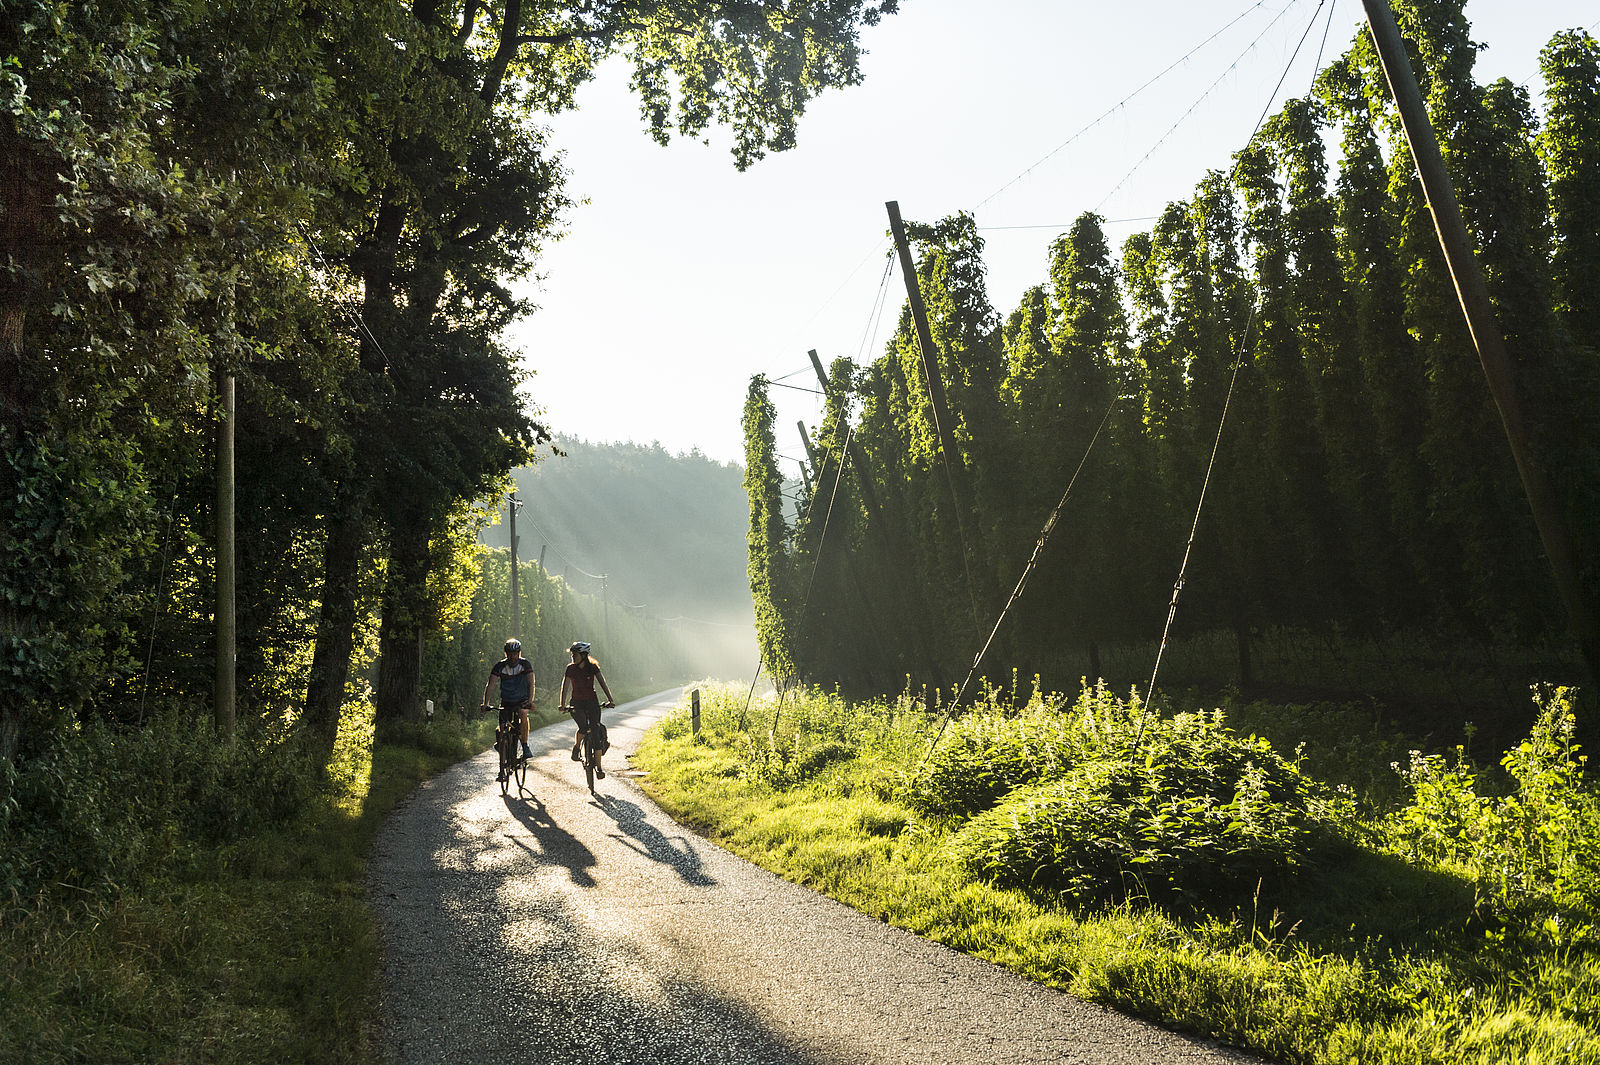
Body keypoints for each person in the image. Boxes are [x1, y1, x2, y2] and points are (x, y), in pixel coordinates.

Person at [560, 641, 615, 778]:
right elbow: (565, 687)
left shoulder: (593, 667)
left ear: (584, 655)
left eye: (575, 654)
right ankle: (577, 747)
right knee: (583, 727)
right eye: (572, 654)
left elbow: (602, 683)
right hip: (576, 703)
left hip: (592, 702)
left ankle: (599, 768)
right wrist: (562, 704)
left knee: (596, 733)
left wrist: (610, 700)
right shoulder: (570, 669)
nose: (573, 657)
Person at [482, 638, 536, 764]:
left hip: (521, 700)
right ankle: (503, 760)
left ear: (519, 653)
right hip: (506, 700)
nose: (513, 656)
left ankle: (524, 745)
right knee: (502, 728)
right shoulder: (499, 666)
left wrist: (530, 701)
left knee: (523, 713)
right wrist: (485, 703)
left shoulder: (525, 664)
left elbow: (531, 683)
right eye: (510, 654)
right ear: (506, 654)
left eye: (515, 653)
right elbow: (490, 685)